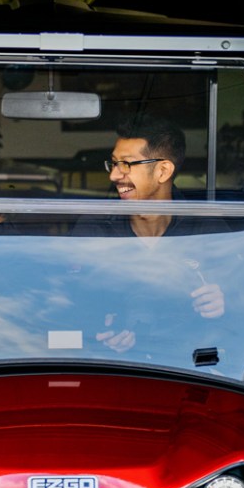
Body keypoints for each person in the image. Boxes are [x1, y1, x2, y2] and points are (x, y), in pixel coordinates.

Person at [71, 115, 227, 353]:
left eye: (126, 164)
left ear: (163, 171)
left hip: (189, 368)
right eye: (113, 163)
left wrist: (224, 302)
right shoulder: (95, 229)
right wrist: (101, 332)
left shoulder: (206, 230)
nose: (114, 175)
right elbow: (68, 304)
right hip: (113, 368)